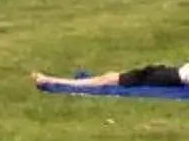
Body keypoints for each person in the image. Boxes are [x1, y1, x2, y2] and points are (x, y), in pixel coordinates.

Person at [34, 58, 187, 92]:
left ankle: (52, 80)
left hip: (166, 77)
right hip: (165, 74)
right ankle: (52, 79)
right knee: (109, 78)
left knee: (107, 78)